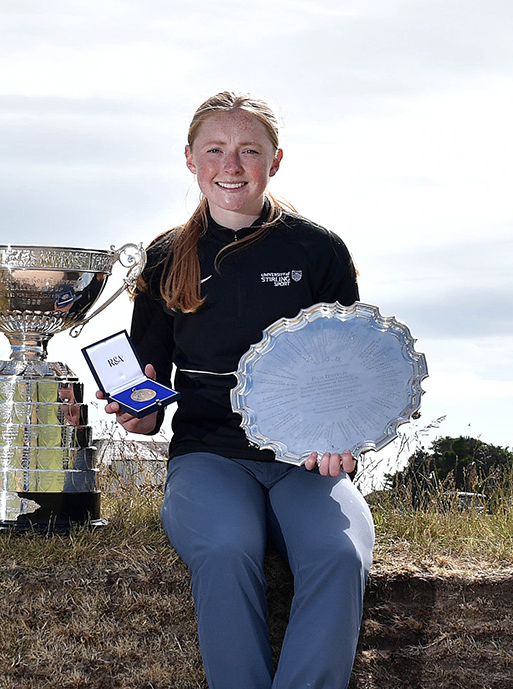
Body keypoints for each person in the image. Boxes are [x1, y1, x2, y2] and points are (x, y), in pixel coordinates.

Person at [99, 91, 374, 689]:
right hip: (209, 457)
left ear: (275, 161)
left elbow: (354, 366)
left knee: (339, 555)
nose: (232, 165)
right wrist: (139, 415)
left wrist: (340, 435)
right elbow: (149, 379)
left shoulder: (317, 249)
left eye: (249, 150)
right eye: (215, 150)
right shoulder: (168, 255)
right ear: (192, 161)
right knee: (226, 551)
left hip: (306, 461)